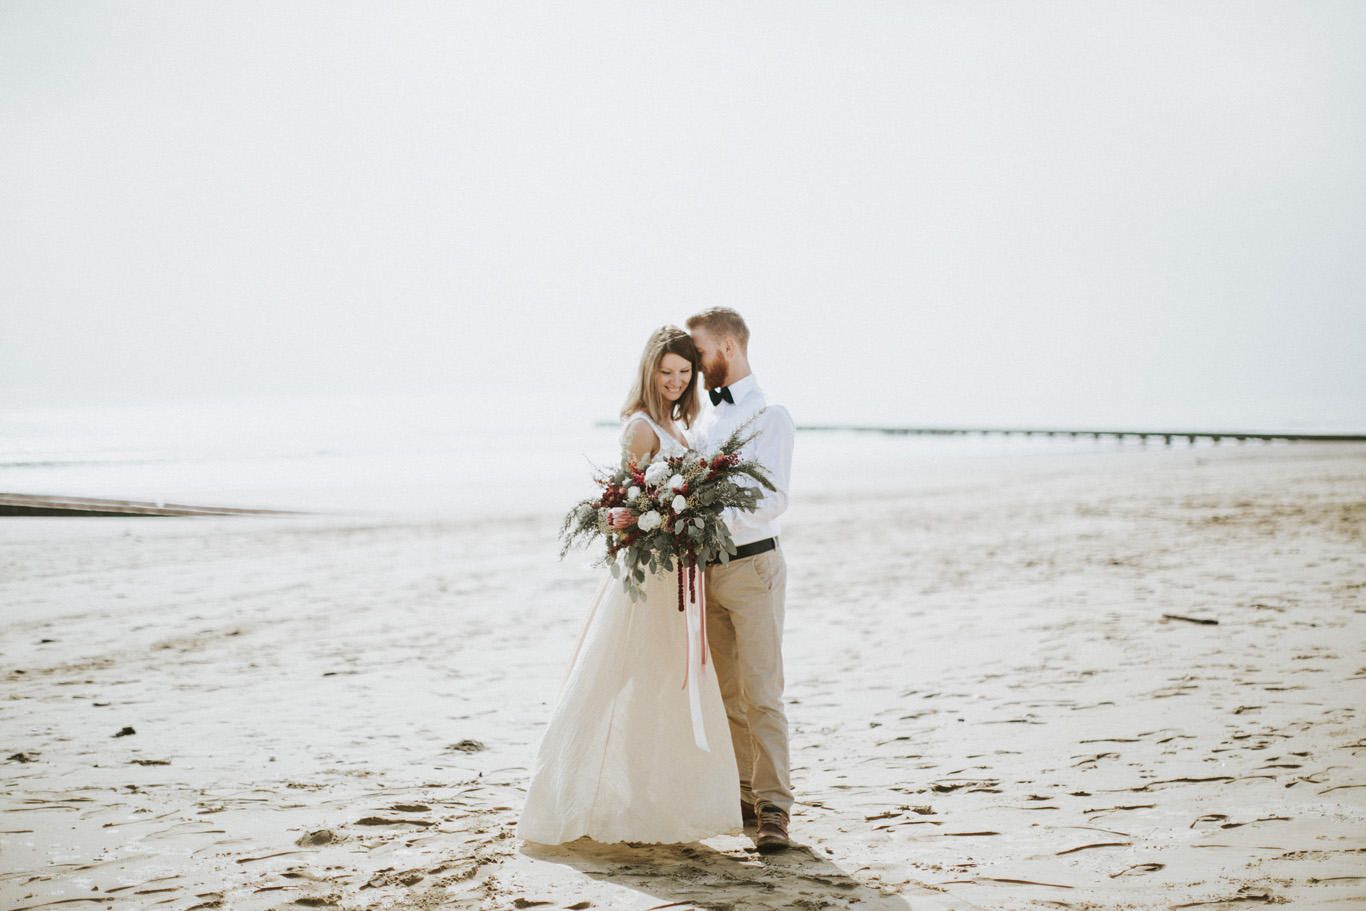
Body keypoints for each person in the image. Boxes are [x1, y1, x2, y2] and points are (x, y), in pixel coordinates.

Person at [517, 326, 742, 846]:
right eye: (666, 372)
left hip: (678, 577)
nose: (675, 381)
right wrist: (664, 520)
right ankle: (575, 792)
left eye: (684, 373)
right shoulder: (641, 428)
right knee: (623, 678)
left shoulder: (681, 425)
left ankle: (655, 800)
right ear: (650, 370)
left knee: (665, 685)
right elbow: (626, 507)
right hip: (650, 579)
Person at [686, 307, 796, 853]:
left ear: (726, 348)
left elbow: (773, 498)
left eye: (699, 351)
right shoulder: (704, 422)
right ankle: (746, 796)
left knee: (761, 692)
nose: (693, 362)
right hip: (708, 572)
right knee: (728, 693)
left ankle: (776, 807)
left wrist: (707, 519)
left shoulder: (771, 415)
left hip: (753, 566)